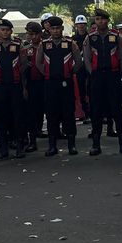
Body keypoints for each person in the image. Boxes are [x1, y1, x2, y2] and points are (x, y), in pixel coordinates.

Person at [82, 8, 122, 156]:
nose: (100, 22)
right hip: (97, 77)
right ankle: (96, 145)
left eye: (103, 19)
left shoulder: (116, 37)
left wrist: (118, 72)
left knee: (117, 110)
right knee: (96, 111)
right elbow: (87, 59)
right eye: (97, 19)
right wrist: (93, 74)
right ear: (95, 21)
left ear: (107, 21)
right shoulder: (90, 38)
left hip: (113, 76)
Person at [35, 16, 82, 156]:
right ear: (49, 30)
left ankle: (71, 145)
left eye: (58, 28)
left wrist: (69, 72)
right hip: (50, 83)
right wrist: (48, 74)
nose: (55, 31)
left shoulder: (70, 43)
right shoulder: (43, 44)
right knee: (51, 114)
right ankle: (52, 146)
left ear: (62, 28)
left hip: (66, 83)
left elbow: (78, 61)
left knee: (68, 113)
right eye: (53, 28)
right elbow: (39, 63)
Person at [0, 19, 27, 159]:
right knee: (0, 117)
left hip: (15, 85)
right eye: (1, 30)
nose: (4, 32)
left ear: (11, 31)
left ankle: (19, 146)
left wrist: (15, 75)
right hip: (0, 86)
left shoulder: (18, 46)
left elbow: (24, 64)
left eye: (7, 30)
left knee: (18, 117)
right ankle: (3, 147)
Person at [22, 21, 45, 152]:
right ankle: (32, 140)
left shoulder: (46, 46)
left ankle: (41, 131)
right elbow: (22, 71)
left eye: (34, 34)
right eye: (29, 34)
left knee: (43, 110)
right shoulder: (25, 49)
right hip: (31, 83)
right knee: (30, 112)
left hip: (44, 82)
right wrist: (24, 87)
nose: (32, 37)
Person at [72, 14, 91, 122]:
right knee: (82, 92)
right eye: (79, 25)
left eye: (83, 24)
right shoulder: (73, 39)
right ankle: (86, 114)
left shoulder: (91, 37)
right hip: (79, 68)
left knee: (91, 91)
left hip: (90, 67)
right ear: (76, 26)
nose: (81, 27)